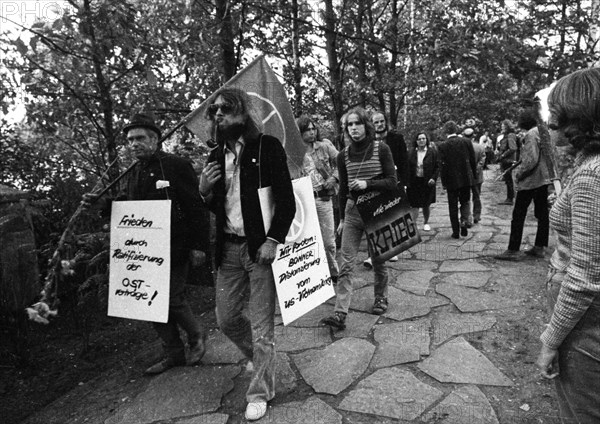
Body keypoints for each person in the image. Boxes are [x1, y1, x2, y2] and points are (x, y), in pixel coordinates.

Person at [82, 112, 210, 375]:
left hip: (176, 246)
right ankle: (173, 353)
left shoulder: (176, 165)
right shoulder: (132, 173)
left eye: (140, 138)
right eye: (129, 140)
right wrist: (98, 203)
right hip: (142, 252)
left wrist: (199, 246)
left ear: (155, 139)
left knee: (172, 298)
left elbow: (196, 207)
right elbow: (122, 208)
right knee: (148, 301)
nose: (134, 144)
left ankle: (197, 335)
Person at [198, 88, 295, 421]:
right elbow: (216, 206)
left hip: (258, 251)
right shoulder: (214, 157)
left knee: (262, 327)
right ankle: (260, 360)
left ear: (243, 113)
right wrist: (204, 191)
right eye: (214, 110)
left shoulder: (266, 147)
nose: (218, 114)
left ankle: (260, 392)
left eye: (226, 108)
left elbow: (287, 200)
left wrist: (272, 240)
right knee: (226, 320)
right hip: (227, 251)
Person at [535, 67, 600, 423]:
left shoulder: (592, 174)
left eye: (556, 114)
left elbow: (586, 274)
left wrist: (551, 340)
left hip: (585, 331)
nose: (549, 122)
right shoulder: (588, 166)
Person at [321, 107, 397, 330]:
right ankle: (340, 313)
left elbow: (392, 181)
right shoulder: (343, 155)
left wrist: (368, 184)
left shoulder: (381, 149)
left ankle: (381, 297)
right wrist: (343, 219)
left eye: (357, 124)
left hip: (377, 210)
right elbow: (343, 188)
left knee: (379, 259)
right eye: (349, 125)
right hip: (353, 213)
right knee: (345, 263)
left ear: (366, 125)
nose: (353, 128)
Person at [495, 108, 550, 261]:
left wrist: (520, 174)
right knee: (542, 214)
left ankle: (513, 249)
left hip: (531, 180)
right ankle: (540, 246)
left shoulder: (531, 134)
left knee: (518, 214)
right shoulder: (542, 131)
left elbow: (531, 160)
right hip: (544, 178)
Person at [297, 115, 339, 284]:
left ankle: (333, 272)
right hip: (304, 202)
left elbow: (343, 162)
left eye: (313, 128)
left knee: (328, 240)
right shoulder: (294, 152)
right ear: (300, 131)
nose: (312, 132)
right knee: (308, 241)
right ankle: (314, 276)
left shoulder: (324, 146)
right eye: (307, 129)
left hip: (323, 199)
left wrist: (335, 178)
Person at [362, 111, 408, 268]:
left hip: (394, 180)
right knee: (375, 217)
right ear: (371, 124)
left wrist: (405, 183)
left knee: (393, 215)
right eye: (376, 122)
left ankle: (393, 250)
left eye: (382, 121)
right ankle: (373, 255)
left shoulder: (397, 138)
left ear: (385, 122)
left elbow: (404, 161)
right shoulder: (367, 141)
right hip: (375, 182)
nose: (379, 124)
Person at [437, 121, 477, 239]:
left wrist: (444, 182)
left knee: (452, 206)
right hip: (465, 179)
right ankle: (464, 221)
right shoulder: (466, 142)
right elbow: (472, 160)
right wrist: (473, 175)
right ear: (456, 129)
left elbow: (442, 166)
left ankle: (455, 231)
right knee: (465, 201)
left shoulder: (442, 146)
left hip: (451, 180)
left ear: (445, 131)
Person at [406, 132, 439, 231]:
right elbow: (406, 167)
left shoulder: (432, 152)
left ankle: (426, 222)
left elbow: (437, 167)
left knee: (426, 204)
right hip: (414, 181)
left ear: (426, 140)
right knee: (414, 204)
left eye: (423, 138)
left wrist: (433, 178)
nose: (421, 141)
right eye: (419, 139)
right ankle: (413, 224)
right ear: (416, 141)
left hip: (427, 182)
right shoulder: (411, 152)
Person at [464, 127, 486, 225]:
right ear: (473, 136)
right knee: (476, 196)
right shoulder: (480, 147)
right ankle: (476, 216)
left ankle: (467, 217)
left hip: (465, 177)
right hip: (477, 176)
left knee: (465, 198)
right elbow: (482, 161)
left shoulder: (462, 147)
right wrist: (476, 170)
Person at [497, 119, 519, 205]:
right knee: (508, 180)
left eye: (503, 126)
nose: (501, 127)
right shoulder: (507, 135)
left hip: (508, 161)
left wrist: (502, 155)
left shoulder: (510, 135)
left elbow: (513, 148)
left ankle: (510, 199)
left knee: (509, 180)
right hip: (506, 160)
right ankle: (509, 198)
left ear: (507, 127)